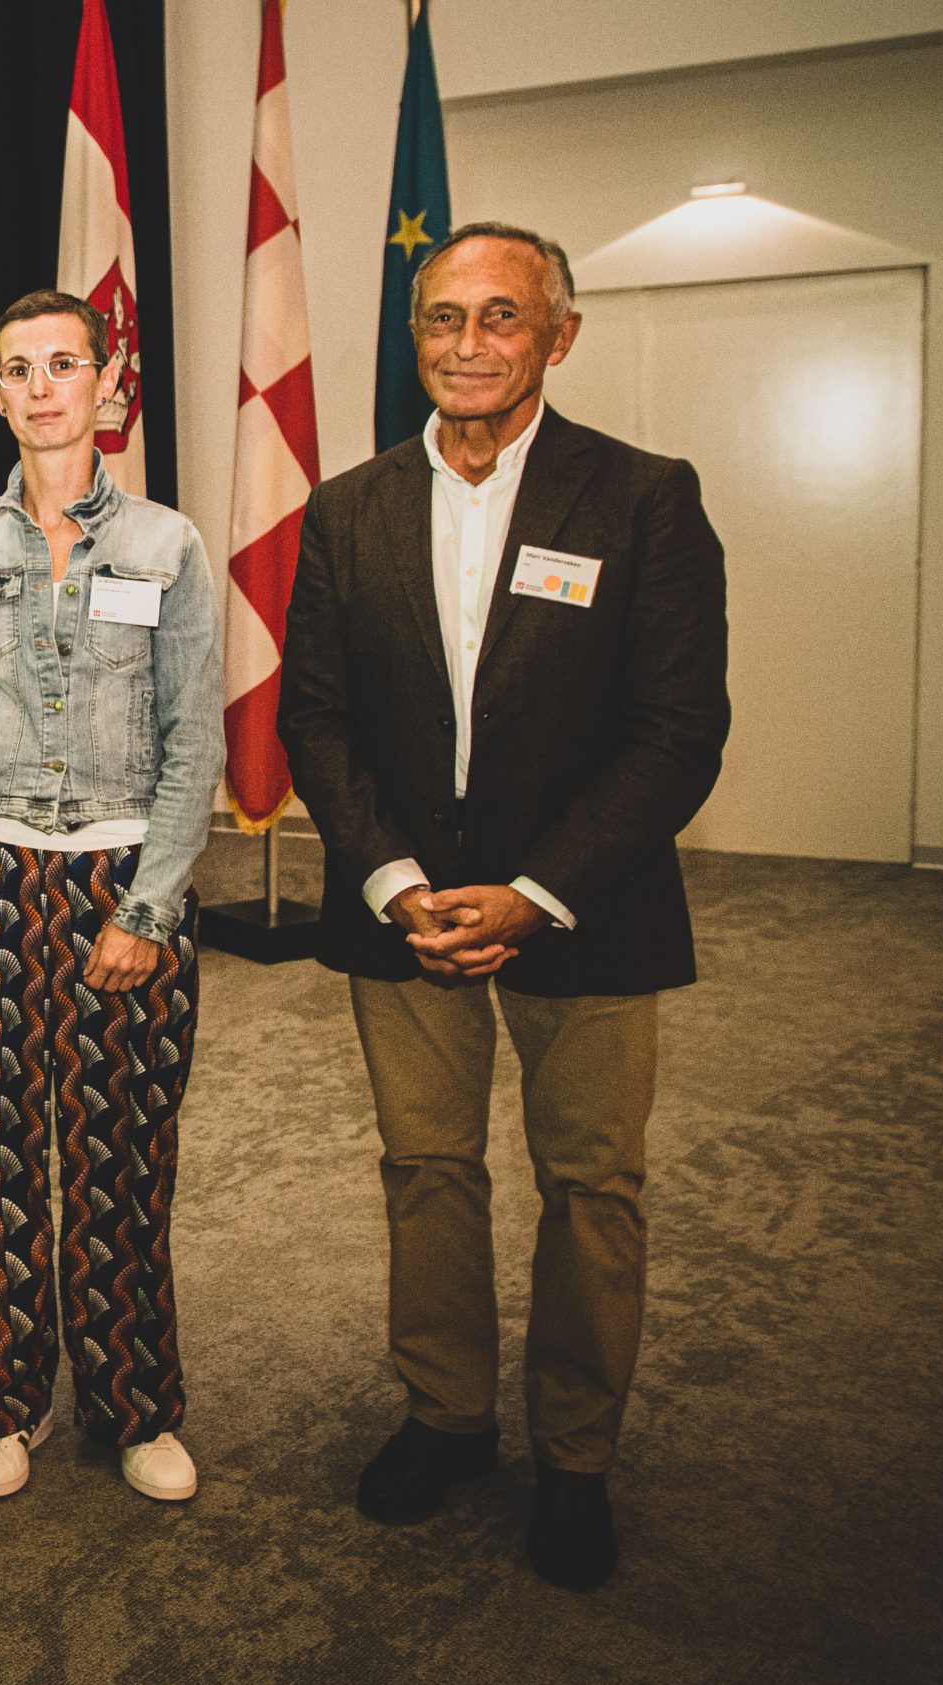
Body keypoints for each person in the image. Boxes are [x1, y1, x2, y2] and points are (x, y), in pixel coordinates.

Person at [278, 222, 729, 1590]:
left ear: (557, 335)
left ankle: (576, 1456)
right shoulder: (346, 507)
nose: (468, 343)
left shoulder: (643, 497)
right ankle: (447, 1416)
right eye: (442, 317)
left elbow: (678, 728)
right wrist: (395, 880)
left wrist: (535, 893)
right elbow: (317, 717)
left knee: (592, 1185)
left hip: (586, 908)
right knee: (426, 1169)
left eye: (501, 316)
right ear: (413, 334)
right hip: (404, 910)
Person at [0, 289, 223, 1504]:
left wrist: (147, 910)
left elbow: (193, 740)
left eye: (64, 364)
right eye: (19, 369)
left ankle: (135, 1403)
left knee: (121, 1157)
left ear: (103, 382)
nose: (42, 387)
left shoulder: (168, 545)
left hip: (124, 877)